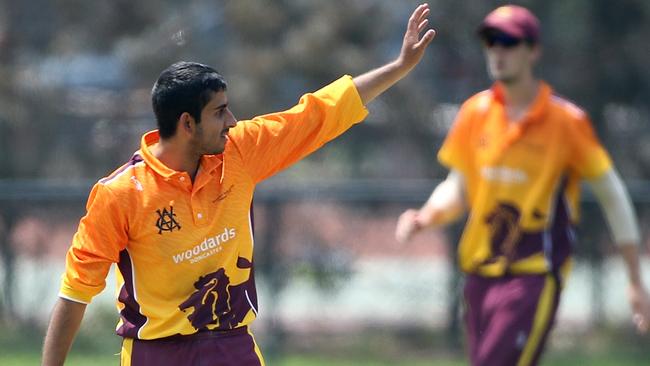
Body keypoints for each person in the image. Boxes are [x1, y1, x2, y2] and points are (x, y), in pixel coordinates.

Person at [41, 4, 436, 366]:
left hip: (232, 348)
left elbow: (317, 114)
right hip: (155, 354)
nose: (232, 121)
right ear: (187, 124)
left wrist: (399, 66)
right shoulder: (120, 194)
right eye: (219, 112)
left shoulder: (240, 151)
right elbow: (76, 291)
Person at [395, 5, 650, 366]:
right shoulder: (475, 112)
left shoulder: (566, 122)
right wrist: (425, 217)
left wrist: (635, 280)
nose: (497, 51)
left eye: (509, 42)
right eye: (490, 41)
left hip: (534, 275)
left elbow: (613, 195)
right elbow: (459, 185)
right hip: (479, 274)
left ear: (533, 51)